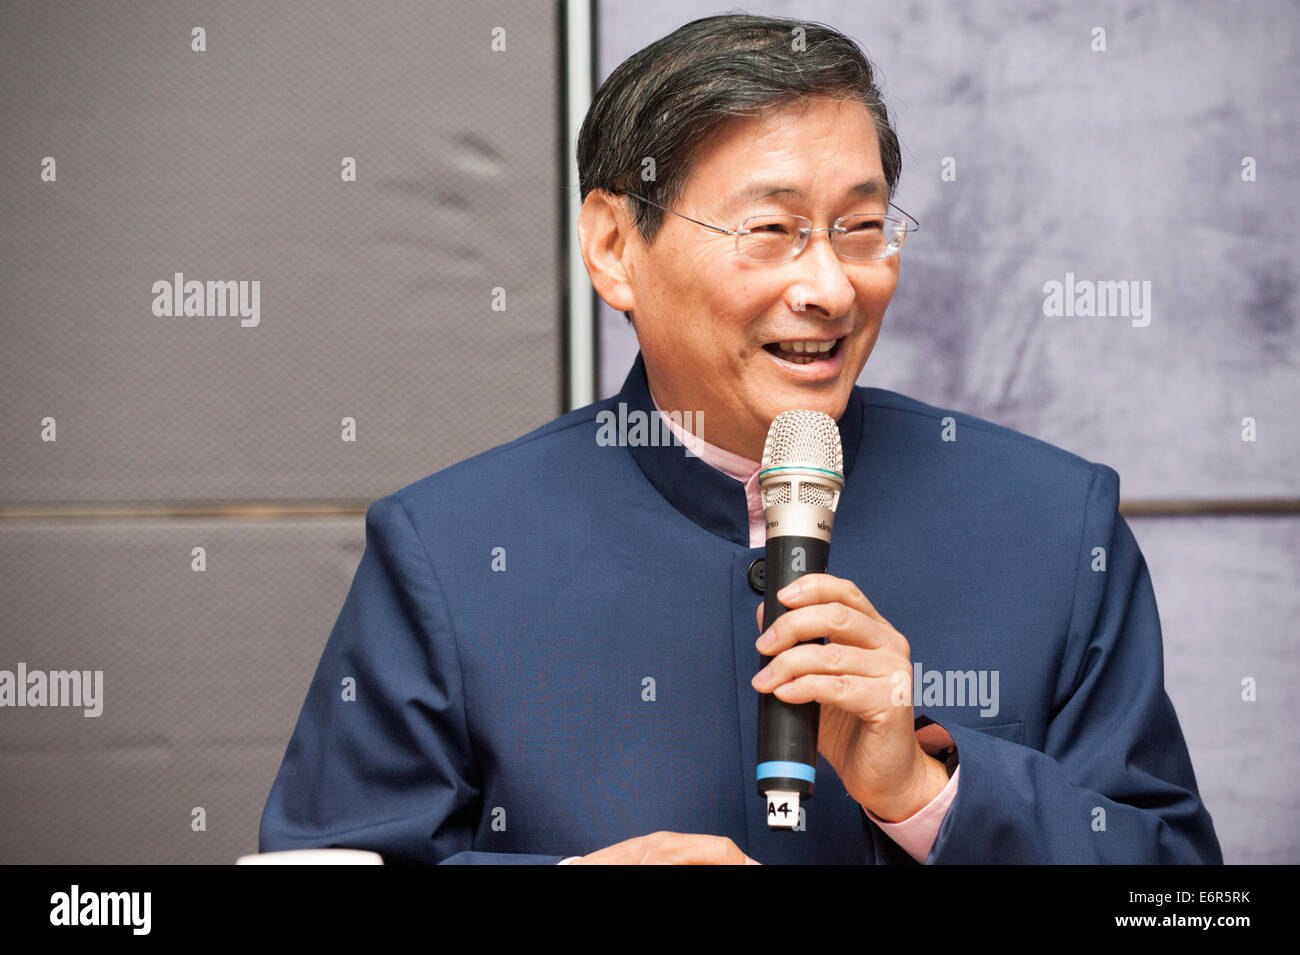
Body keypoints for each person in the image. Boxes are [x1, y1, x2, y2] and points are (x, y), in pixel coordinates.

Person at [258, 13, 1222, 864]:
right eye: (772, 228)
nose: (833, 287)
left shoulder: (1052, 524)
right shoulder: (452, 548)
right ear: (613, 248)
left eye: (861, 227)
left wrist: (932, 797)